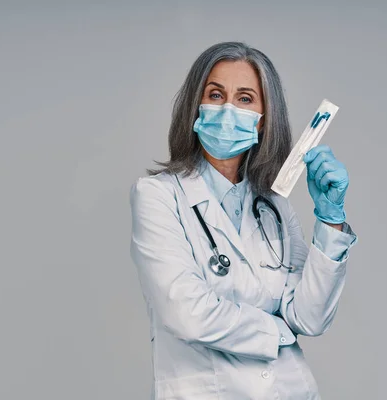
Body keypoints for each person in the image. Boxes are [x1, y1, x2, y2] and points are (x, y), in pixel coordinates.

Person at [129, 41, 358, 400]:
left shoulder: (275, 208)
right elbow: (186, 313)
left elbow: (309, 317)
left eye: (245, 99)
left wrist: (331, 221)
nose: (228, 109)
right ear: (196, 107)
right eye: (216, 95)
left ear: (264, 119)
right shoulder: (158, 196)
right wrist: (277, 331)